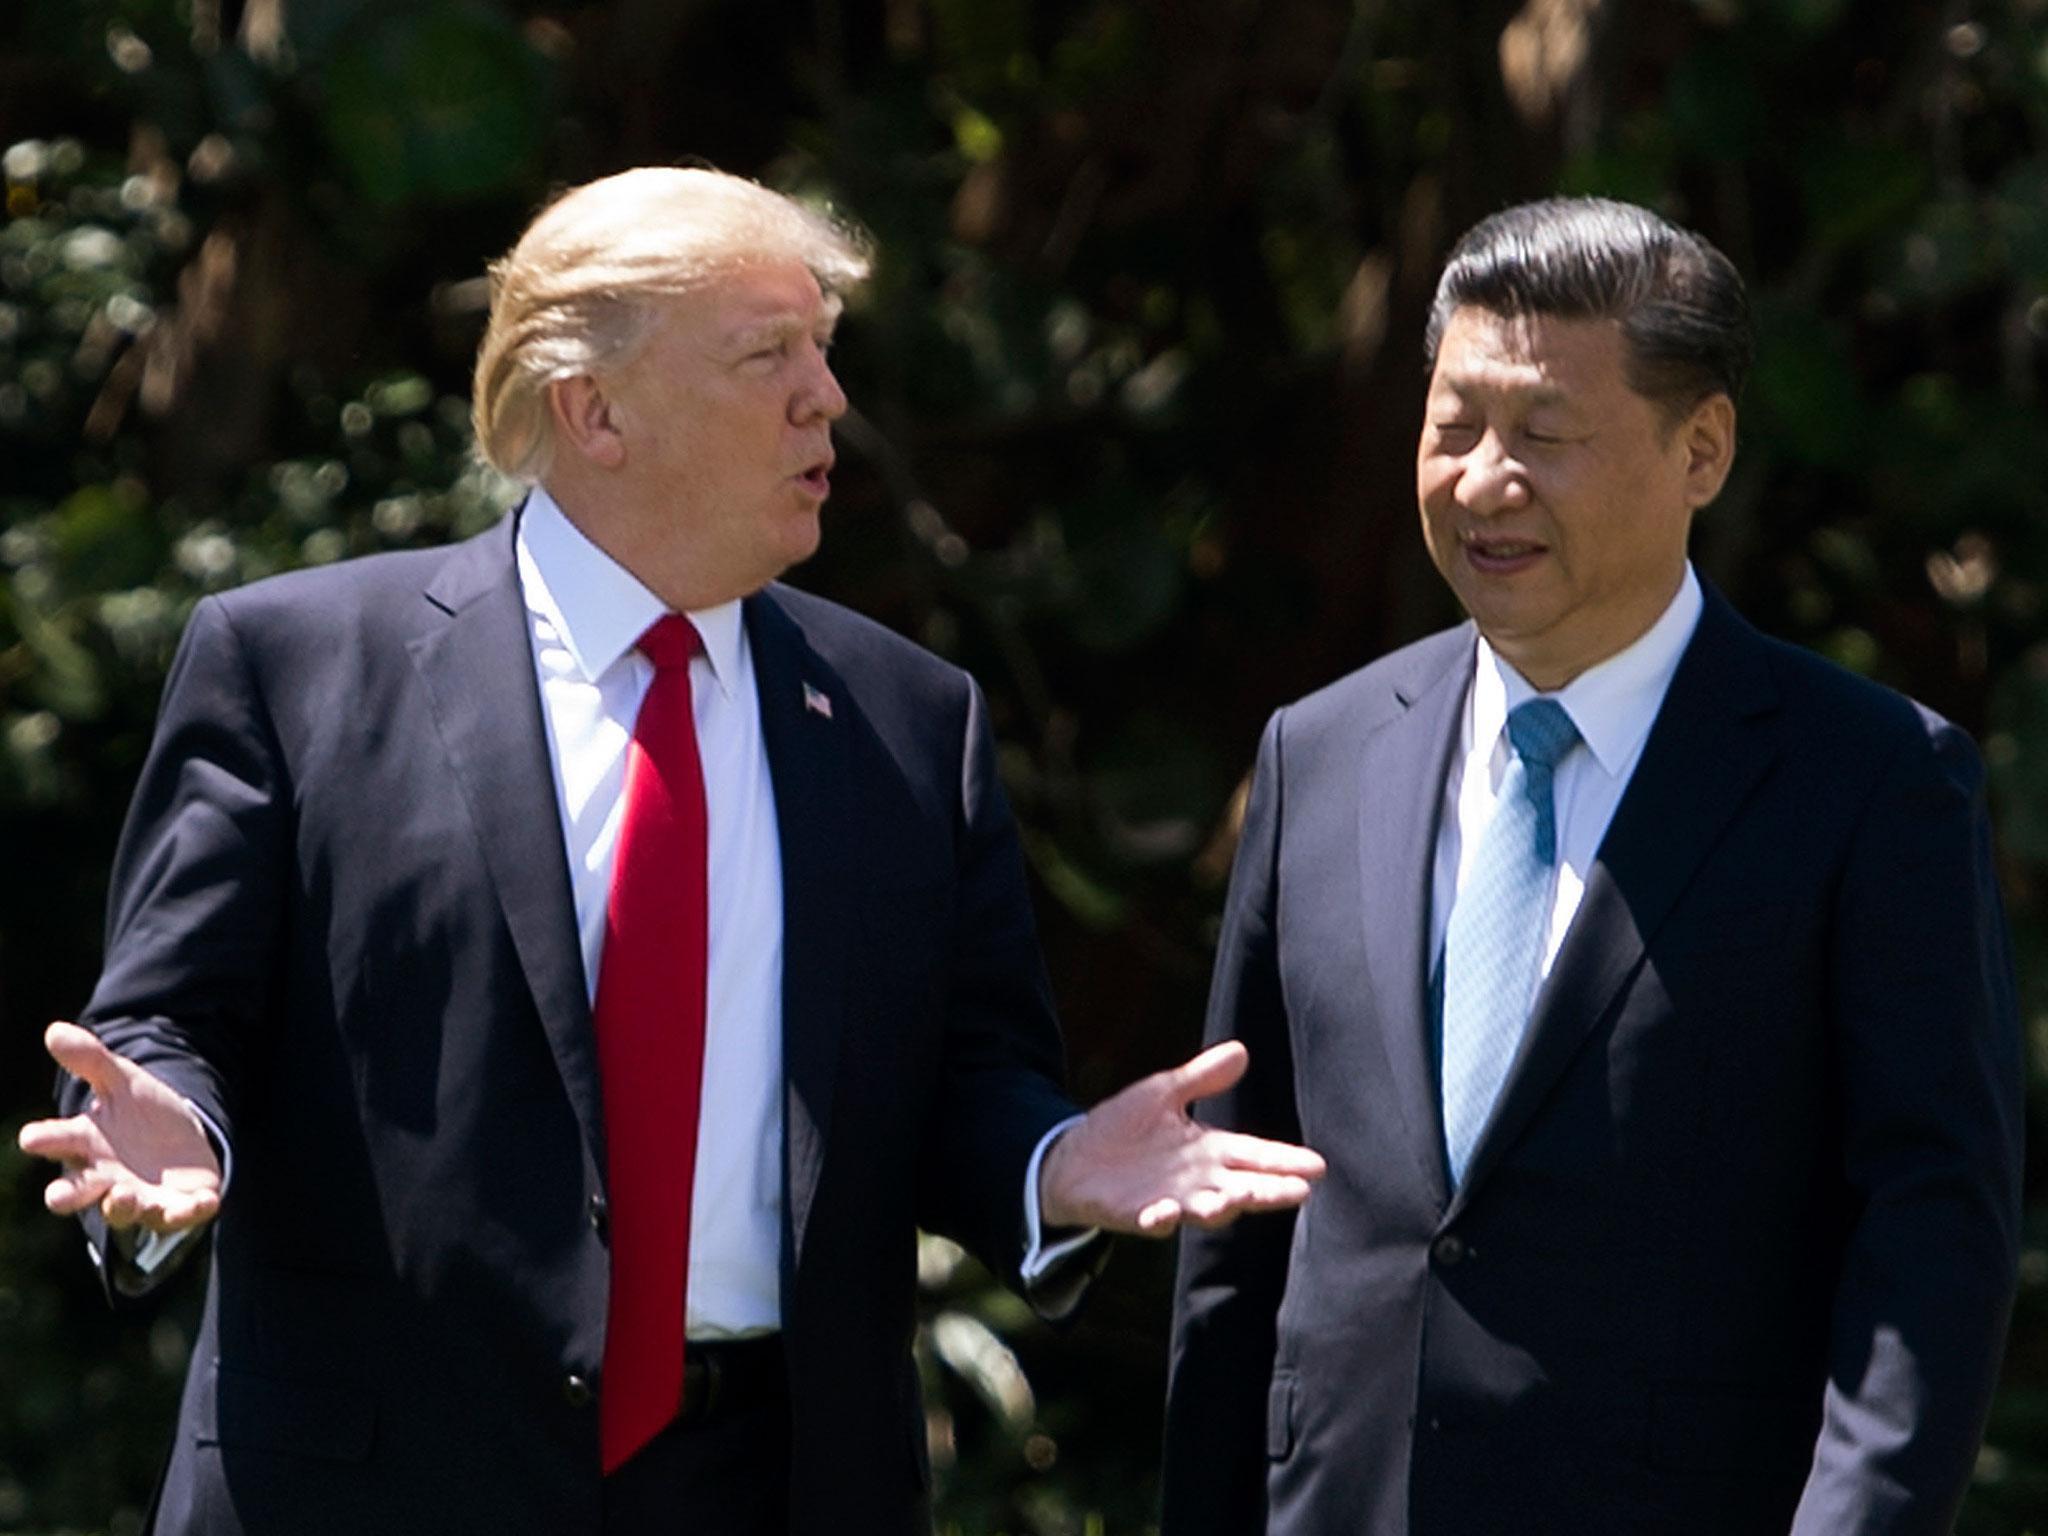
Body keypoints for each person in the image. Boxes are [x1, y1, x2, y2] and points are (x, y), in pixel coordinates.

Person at [17, 166, 1325, 1536]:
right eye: (770, 354)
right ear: (594, 410)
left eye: (823, 349)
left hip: (775, 1482)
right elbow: (169, 1020)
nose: (825, 397)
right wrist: (174, 1131)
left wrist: (1048, 1168)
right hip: (382, 1478)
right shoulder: (293, 667)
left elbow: (964, 1080)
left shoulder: (907, 719)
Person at [1162, 196, 2022, 1536]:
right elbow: (1241, 1210)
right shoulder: (1318, 755)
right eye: (1454, 427)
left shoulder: (1868, 782)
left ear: (1704, 450)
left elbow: (1931, 1241)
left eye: (1545, 438)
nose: (1483, 479)